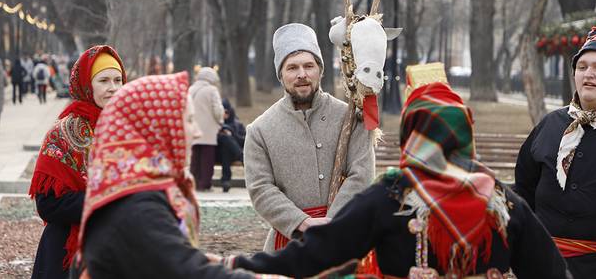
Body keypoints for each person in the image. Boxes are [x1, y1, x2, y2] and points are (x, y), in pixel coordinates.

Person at [222, 82, 570, 279]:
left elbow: (321, 253)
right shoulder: (502, 202)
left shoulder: (390, 197)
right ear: (465, 132)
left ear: (410, 134)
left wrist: (239, 264)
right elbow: (551, 273)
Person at [72, 72, 275, 279]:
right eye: (188, 120)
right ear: (157, 129)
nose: (196, 132)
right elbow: (191, 273)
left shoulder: (140, 192)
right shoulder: (137, 208)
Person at [245, 23, 374, 252]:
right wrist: (303, 223)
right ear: (281, 75)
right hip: (288, 248)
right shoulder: (260, 131)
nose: (302, 74)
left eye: (309, 66)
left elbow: (362, 174)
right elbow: (260, 188)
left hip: (346, 240)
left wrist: (332, 223)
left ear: (320, 70)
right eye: (292, 68)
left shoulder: (351, 117)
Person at [515, 21, 596, 279]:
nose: (588, 74)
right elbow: (525, 189)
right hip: (542, 265)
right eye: (582, 67)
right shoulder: (551, 124)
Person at [29, 46, 126, 279]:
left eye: (118, 79)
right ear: (86, 84)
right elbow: (47, 204)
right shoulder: (63, 132)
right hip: (65, 255)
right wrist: (104, 200)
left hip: (119, 250)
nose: (113, 88)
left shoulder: (128, 129)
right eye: (103, 80)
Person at [189, 67, 224, 191]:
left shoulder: (191, 89)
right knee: (207, 159)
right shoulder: (212, 90)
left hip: (193, 129)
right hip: (208, 130)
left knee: (195, 158)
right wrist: (220, 121)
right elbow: (217, 110)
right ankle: (205, 184)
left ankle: (194, 183)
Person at [217, 99, 245, 192]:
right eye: (222, 112)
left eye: (226, 111)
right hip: (218, 155)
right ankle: (243, 158)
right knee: (225, 140)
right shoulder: (216, 124)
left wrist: (231, 134)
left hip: (233, 154)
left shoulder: (237, 124)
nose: (225, 114)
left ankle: (226, 181)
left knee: (227, 143)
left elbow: (244, 140)